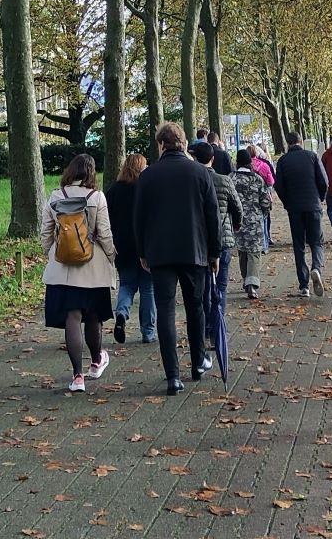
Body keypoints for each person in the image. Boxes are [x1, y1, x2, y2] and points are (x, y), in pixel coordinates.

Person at [134, 122, 220, 395]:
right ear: (183, 142)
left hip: (160, 253)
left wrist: (142, 251)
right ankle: (197, 362)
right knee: (195, 308)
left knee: (166, 312)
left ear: (161, 145)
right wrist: (214, 252)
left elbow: (138, 219)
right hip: (194, 251)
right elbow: (212, 216)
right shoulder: (199, 172)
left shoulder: (147, 176)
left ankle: (172, 375)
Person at [40, 154, 117, 393]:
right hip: (92, 266)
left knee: (71, 318)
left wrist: (51, 253)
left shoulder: (55, 196)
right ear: (91, 173)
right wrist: (112, 255)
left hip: (63, 267)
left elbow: (46, 232)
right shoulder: (97, 197)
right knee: (93, 317)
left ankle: (77, 376)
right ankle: (96, 361)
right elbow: (104, 233)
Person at [192, 141, 242, 343]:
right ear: (212, 158)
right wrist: (236, 224)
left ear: (195, 159)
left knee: (202, 287)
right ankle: (217, 329)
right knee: (220, 285)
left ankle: (204, 327)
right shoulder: (224, 180)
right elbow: (237, 207)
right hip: (223, 239)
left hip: (198, 241)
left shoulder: (192, 180)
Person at [105, 153, 155, 344]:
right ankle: (148, 332)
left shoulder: (114, 190)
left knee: (126, 285)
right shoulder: (147, 189)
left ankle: (122, 313)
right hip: (146, 244)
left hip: (123, 246)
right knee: (148, 289)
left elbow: (107, 219)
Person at [274, 132, 329, 298]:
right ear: (300, 142)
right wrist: (320, 198)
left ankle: (304, 285)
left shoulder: (283, 161)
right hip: (313, 206)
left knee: (299, 245)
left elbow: (279, 186)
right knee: (317, 242)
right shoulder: (312, 156)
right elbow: (324, 181)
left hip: (294, 209)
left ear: (287, 143)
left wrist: (287, 202)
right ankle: (316, 268)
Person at [232, 148, 271, 298]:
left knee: (242, 252)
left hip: (237, 222)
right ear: (250, 162)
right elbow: (265, 201)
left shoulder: (231, 178)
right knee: (254, 253)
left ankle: (245, 279)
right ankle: (252, 283)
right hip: (254, 222)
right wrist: (263, 214)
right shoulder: (257, 179)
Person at [247, 144, 276, 249]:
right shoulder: (264, 165)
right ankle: (264, 244)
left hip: (248, 197)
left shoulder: (244, 166)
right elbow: (271, 181)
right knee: (264, 218)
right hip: (263, 195)